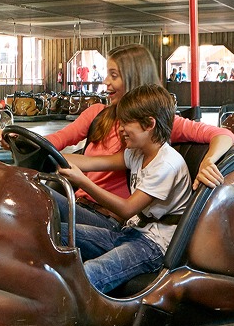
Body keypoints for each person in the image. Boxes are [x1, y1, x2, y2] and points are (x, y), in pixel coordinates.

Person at [37, 44, 234, 231]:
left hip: (109, 216)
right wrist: (24, 144)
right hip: (78, 203)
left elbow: (223, 134)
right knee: (32, 198)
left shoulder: (156, 123)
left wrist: (208, 161)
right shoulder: (98, 113)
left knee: (40, 200)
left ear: (134, 79)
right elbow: (59, 140)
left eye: (114, 75)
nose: (106, 81)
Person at [57, 85, 191, 293]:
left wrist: (83, 182)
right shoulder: (137, 153)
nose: (120, 129)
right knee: (56, 233)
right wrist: (51, 155)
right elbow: (93, 162)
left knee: (90, 272)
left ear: (149, 124)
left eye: (126, 123)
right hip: (131, 232)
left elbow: (128, 209)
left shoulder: (166, 164)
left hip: (154, 246)